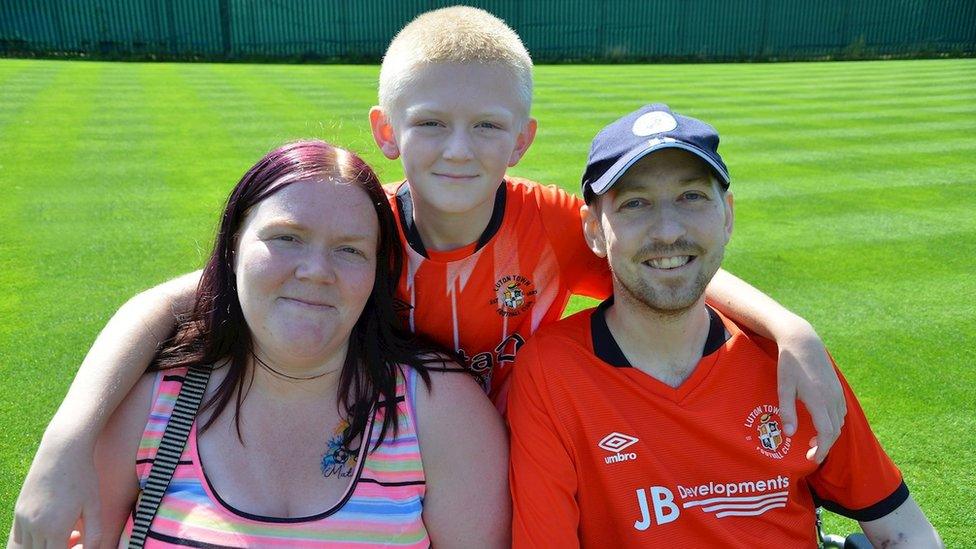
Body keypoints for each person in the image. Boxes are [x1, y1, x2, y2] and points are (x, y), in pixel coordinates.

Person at [12, 7, 845, 546]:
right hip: (403, 449)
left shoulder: (550, 221)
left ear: (521, 140)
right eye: (430, 123)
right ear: (385, 131)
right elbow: (168, 299)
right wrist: (67, 439)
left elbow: (658, 264)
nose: (457, 148)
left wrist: (788, 327)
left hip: (529, 455)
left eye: (487, 125)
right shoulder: (358, 225)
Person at [19, 140, 509, 547]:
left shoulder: (440, 410)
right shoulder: (151, 404)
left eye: (349, 250)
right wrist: (65, 442)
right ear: (233, 248)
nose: (316, 271)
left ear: (378, 270)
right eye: (286, 238)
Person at [507, 105, 943, 548]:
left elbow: (905, 531)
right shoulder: (551, 372)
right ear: (594, 231)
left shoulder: (788, 359)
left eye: (692, 196)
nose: (668, 230)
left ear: (727, 215)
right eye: (635, 203)